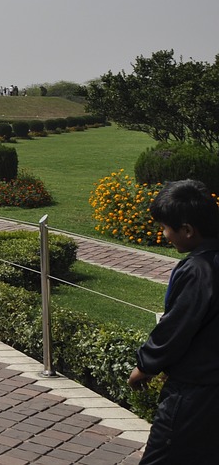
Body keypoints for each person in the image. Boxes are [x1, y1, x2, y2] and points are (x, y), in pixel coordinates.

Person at [128, 178, 219, 464]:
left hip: (193, 390)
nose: (164, 234)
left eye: (165, 228)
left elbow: (177, 327)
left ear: (188, 230)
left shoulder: (198, 271)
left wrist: (144, 366)